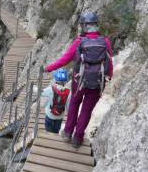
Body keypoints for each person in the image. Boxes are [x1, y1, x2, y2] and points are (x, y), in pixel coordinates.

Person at [44, 12, 113, 148]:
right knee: (86, 110)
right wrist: (108, 77)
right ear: (96, 25)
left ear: (83, 26)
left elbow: (64, 59)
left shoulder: (79, 42)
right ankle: (78, 138)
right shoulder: (105, 41)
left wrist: (48, 68)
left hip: (79, 80)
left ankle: (68, 132)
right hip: (98, 82)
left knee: (75, 103)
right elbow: (109, 62)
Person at [41, 69, 71, 133]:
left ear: (55, 79)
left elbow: (41, 92)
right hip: (60, 116)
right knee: (56, 131)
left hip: (50, 115)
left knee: (48, 131)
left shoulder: (50, 89)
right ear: (66, 81)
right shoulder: (68, 92)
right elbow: (68, 106)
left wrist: (34, 88)